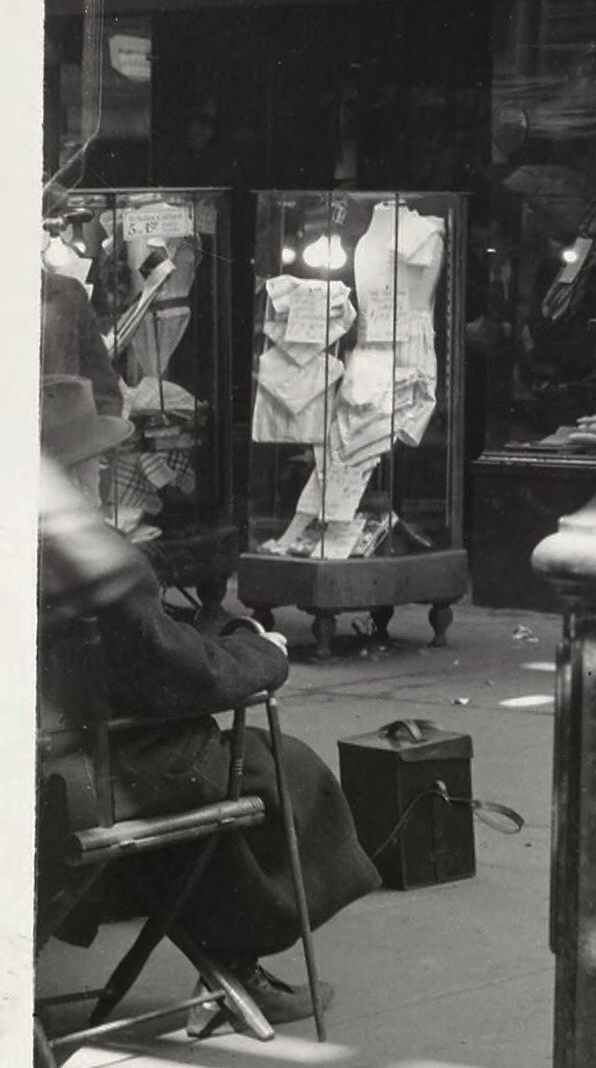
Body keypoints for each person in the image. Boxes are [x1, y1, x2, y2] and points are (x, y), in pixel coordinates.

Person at [39, 268, 378, 1027]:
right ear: (78, 466)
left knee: (212, 758)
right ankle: (239, 962)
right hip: (96, 779)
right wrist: (263, 655)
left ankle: (236, 967)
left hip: (49, 758)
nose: (102, 467)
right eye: (94, 457)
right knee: (266, 766)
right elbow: (179, 673)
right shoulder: (99, 561)